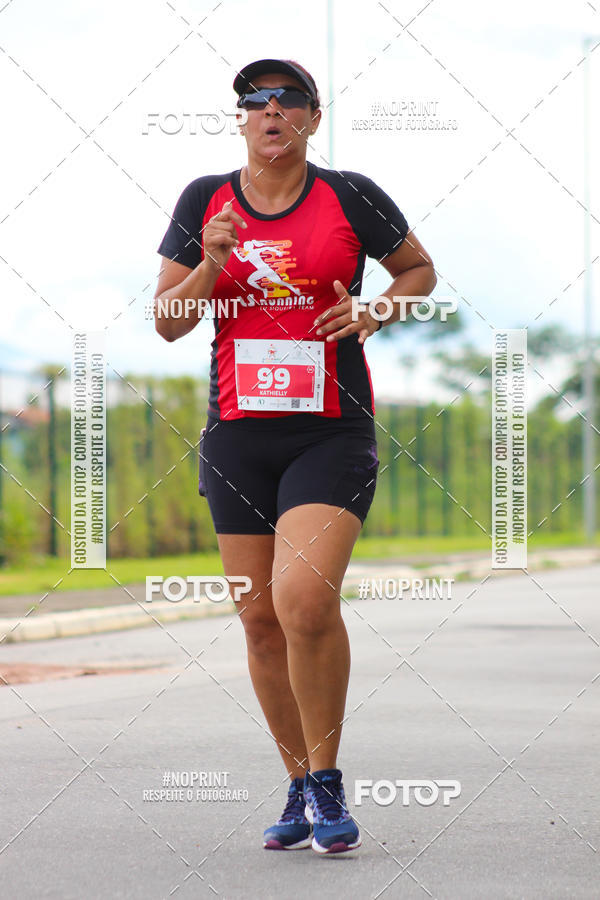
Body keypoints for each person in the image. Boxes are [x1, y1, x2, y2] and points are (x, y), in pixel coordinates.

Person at [154, 58, 436, 855]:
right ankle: (300, 783)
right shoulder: (203, 199)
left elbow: (418, 269)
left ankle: (331, 779)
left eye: (288, 101)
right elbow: (168, 323)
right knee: (257, 616)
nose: (270, 111)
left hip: (329, 430)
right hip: (239, 434)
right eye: (255, 101)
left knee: (304, 601)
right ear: (239, 119)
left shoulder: (351, 194)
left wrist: (376, 310)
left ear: (313, 118)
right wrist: (211, 262)